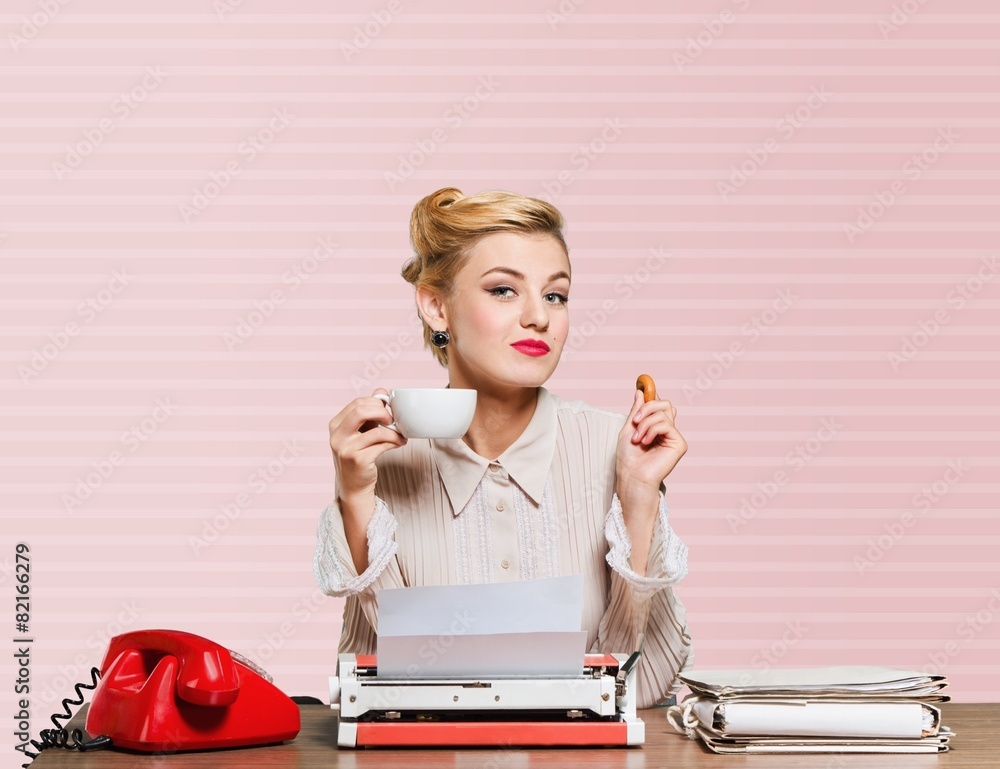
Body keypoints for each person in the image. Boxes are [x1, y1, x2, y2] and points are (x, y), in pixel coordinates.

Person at [313, 187, 692, 707]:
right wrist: (355, 498)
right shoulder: (382, 459)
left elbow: (642, 691)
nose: (539, 317)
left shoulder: (616, 446)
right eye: (503, 290)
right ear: (435, 305)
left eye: (555, 295)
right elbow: (378, 694)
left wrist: (639, 496)